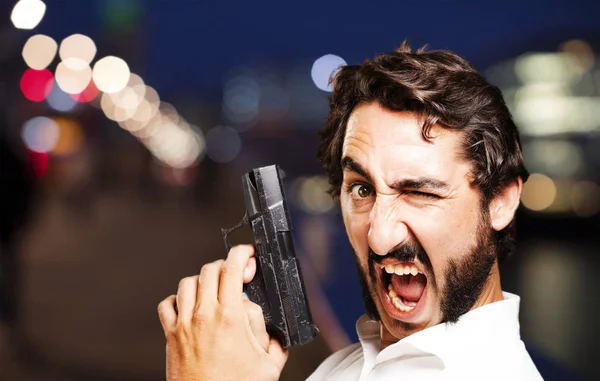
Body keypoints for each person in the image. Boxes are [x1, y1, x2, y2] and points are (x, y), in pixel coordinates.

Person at [157, 40, 543, 380]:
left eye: (420, 192)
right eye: (361, 189)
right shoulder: (349, 361)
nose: (378, 235)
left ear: (501, 200)